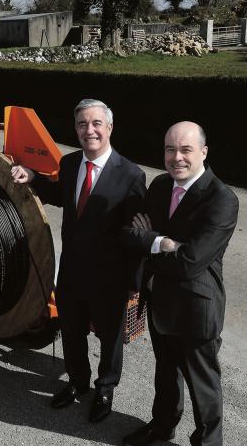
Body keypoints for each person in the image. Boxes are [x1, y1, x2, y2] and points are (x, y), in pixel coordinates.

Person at [11, 99, 146, 422]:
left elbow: (138, 237)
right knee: (71, 332)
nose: (90, 131)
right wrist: (31, 175)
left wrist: (134, 285)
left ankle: (105, 388)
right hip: (71, 272)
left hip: (109, 277)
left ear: (110, 128)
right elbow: (60, 196)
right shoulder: (70, 164)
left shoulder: (131, 175)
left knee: (110, 338)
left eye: (97, 123)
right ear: (76, 130)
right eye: (83, 124)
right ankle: (77, 383)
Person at [123, 121, 239, 446]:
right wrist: (163, 243)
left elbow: (189, 263)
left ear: (203, 152)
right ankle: (161, 428)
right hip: (160, 301)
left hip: (195, 310)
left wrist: (151, 242)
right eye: (170, 149)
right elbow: (133, 234)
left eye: (186, 149)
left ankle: (207, 442)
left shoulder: (222, 200)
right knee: (165, 376)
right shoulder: (160, 186)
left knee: (204, 388)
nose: (177, 157)